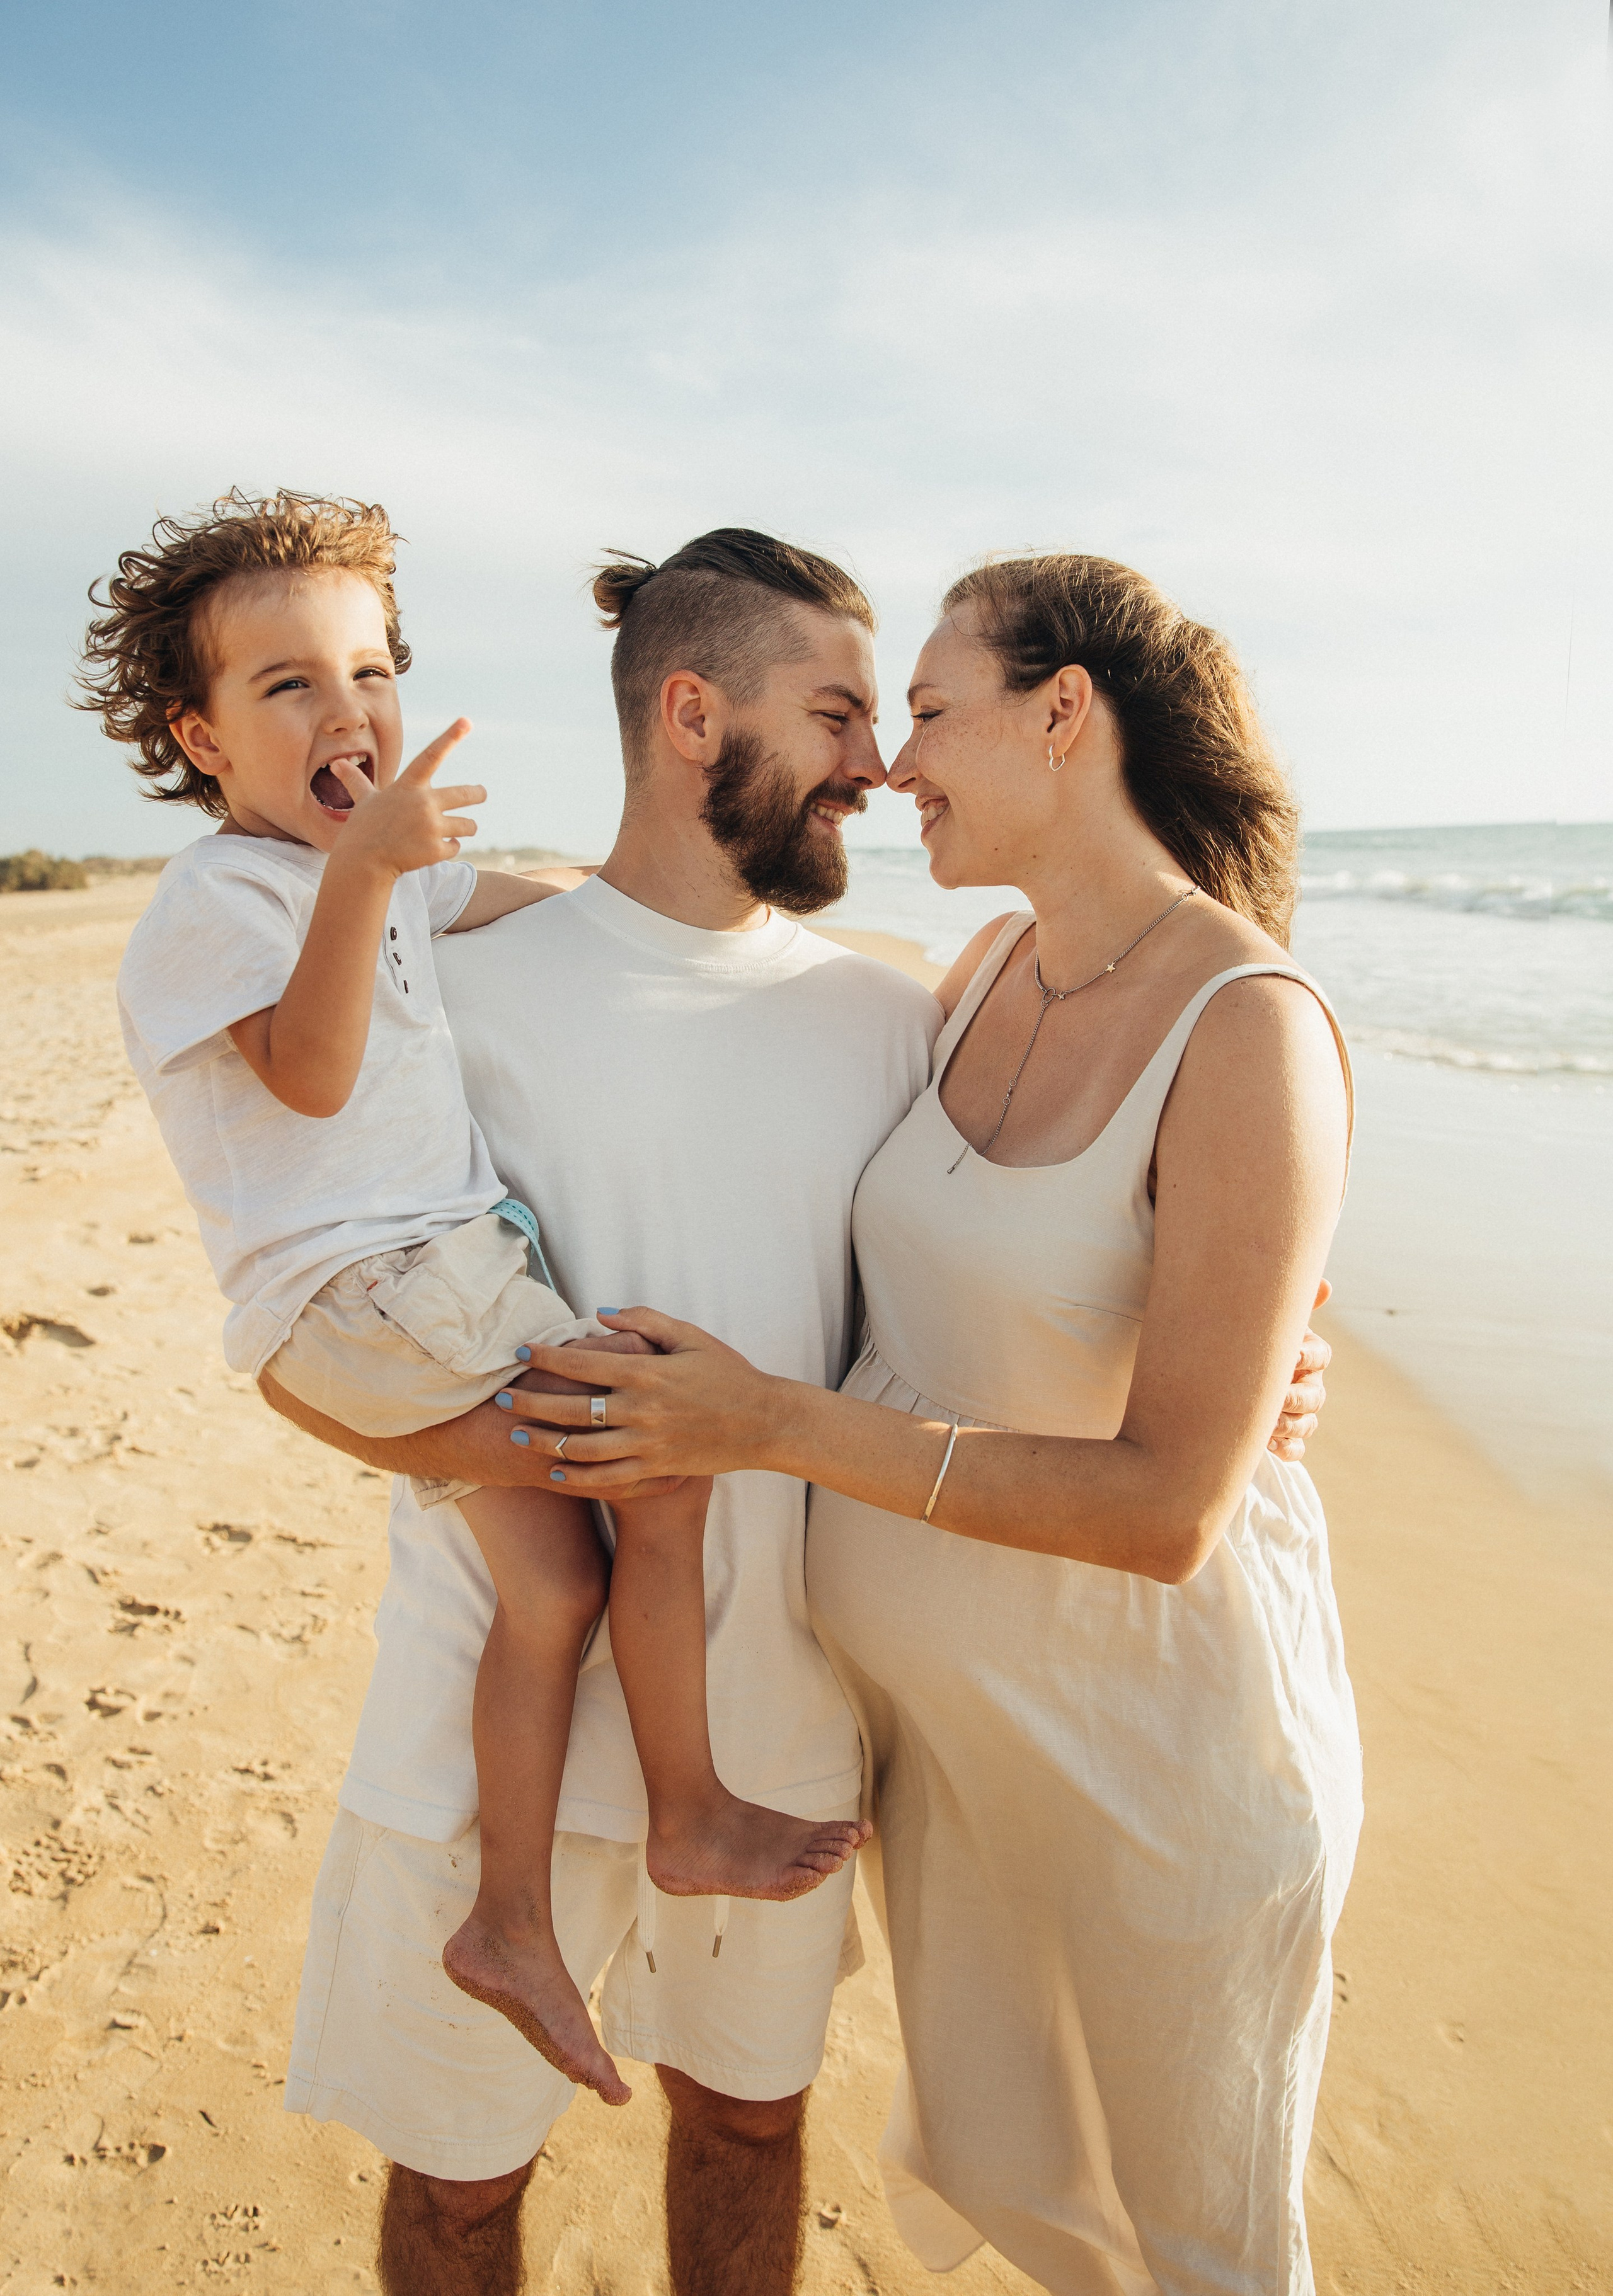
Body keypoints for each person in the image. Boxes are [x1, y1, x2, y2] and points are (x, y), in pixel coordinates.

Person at [256, 530, 1332, 2296]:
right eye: (841, 713)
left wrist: (1288, 1355)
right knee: (455, 2189)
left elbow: (1073, 1244)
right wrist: (440, 1450)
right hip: (485, 1714)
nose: (877, 763)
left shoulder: (904, 1005)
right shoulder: (447, 978)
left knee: (750, 2131)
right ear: (694, 716)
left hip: (784, 1737)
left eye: (900, 715)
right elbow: (301, 1292)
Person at [91, 495, 867, 2118]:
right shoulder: (221, 902)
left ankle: (509, 1923)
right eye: (287, 686)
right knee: (663, 1451)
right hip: (375, 1290)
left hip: (436, 1281)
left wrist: (638, 896)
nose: (349, 712)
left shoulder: (375, 880)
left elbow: (531, 903)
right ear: (199, 738)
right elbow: (309, 1078)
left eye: (369, 672)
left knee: (551, 1583)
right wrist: (370, 872)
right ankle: (691, 1810)